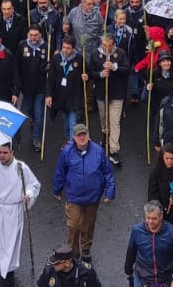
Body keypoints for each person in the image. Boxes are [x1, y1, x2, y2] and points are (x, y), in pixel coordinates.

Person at [52, 124, 116, 264]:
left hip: (92, 198)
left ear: (88, 135)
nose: (82, 137)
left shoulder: (98, 151)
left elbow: (108, 173)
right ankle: (73, 253)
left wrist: (109, 193)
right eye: (78, 135)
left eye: (84, 134)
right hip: (74, 197)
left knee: (88, 225)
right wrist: (57, 190)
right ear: (73, 138)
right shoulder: (66, 152)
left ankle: (86, 250)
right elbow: (60, 172)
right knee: (74, 225)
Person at [0, 142, 42, 282]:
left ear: (12, 152)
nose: (1, 156)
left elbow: (34, 185)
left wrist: (28, 194)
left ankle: (7, 273)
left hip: (13, 210)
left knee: (10, 243)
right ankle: (1, 261)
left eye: (5, 153)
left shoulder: (20, 167)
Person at [122, 202, 173, 287]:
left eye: (154, 218)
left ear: (161, 216)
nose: (150, 222)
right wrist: (128, 272)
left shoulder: (172, 232)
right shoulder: (136, 231)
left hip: (164, 281)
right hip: (142, 280)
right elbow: (131, 252)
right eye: (148, 218)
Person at [92, 33, 129, 166]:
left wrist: (114, 67)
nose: (105, 47)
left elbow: (126, 69)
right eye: (103, 44)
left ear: (113, 44)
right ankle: (105, 136)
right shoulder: (96, 54)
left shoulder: (120, 53)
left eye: (108, 45)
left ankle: (114, 150)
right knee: (104, 119)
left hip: (117, 94)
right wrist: (101, 74)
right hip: (102, 93)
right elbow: (91, 72)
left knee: (115, 122)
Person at [46, 37, 90, 144]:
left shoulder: (80, 59)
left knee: (72, 122)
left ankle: (72, 145)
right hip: (60, 96)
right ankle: (69, 140)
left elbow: (87, 75)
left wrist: (86, 77)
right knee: (65, 122)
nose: (65, 50)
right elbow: (50, 79)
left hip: (74, 96)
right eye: (63, 47)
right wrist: (48, 95)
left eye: (68, 48)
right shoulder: (56, 58)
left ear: (73, 49)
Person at [37, 243, 102, 287]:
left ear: (67, 264)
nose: (52, 266)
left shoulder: (86, 272)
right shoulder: (49, 270)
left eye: (56, 263)